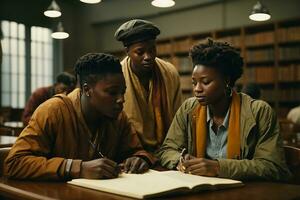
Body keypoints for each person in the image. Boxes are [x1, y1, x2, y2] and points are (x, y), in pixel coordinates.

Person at [5, 53, 154, 181]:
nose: (121, 99)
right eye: (112, 92)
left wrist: (140, 158)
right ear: (87, 89)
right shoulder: (53, 111)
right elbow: (14, 163)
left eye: (123, 92)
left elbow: (136, 150)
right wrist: (78, 168)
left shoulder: (119, 117)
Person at [158, 39, 291, 181]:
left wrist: (218, 167)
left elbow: (273, 167)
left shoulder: (259, 112)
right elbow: (167, 150)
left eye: (205, 82)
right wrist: (181, 160)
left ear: (226, 81)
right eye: (194, 82)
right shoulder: (188, 109)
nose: (197, 89)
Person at [114, 19, 182, 155]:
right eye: (140, 52)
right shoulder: (116, 76)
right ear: (127, 51)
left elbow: (177, 121)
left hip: (166, 150)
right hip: (128, 152)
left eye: (152, 50)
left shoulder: (169, 73)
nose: (148, 56)